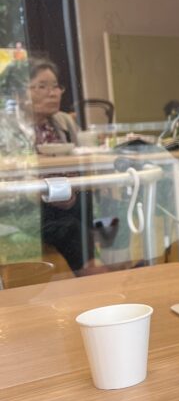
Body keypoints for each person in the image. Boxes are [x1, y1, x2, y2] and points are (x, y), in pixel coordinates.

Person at [28, 59, 96, 275]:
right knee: (69, 227)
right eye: (42, 86)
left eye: (56, 86)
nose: (53, 93)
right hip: (33, 204)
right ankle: (92, 275)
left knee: (100, 203)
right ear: (21, 93)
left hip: (66, 196)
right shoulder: (11, 128)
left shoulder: (63, 122)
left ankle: (114, 267)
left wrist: (72, 191)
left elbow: (78, 159)